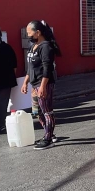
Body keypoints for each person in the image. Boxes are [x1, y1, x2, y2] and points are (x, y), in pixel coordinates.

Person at [21, 20, 61, 150]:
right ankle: (48, 133)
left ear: (38, 32)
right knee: (37, 112)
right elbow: (30, 67)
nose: (28, 35)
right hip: (34, 84)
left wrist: (43, 86)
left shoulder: (46, 47)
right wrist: (25, 82)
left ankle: (48, 138)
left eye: (29, 32)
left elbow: (47, 68)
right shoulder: (33, 46)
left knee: (47, 111)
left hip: (43, 83)